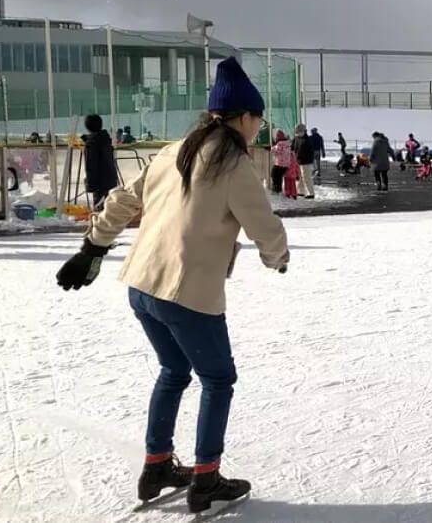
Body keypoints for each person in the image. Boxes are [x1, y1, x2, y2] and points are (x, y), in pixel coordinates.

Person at [55, 56, 288, 513]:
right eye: (257, 119)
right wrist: (276, 257)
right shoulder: (233, 165)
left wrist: (92, 248)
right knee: (218, 379)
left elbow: (122, 200)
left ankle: (157, 464)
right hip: (187, 294)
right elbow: (266, 228)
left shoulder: (173, 151)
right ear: (243, 117)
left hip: (142, 286)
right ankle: (206, 477)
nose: (258, 128)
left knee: (174, 371)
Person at [81, 114, 119, 209]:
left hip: (99, 182)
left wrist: (90, 183)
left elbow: (91, 165)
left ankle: (101, 222)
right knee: (110, 206)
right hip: (110, 178)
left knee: (100, 208)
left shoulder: (91, 144)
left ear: (87, 127)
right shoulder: (105, 139)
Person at [291, 124, 315, 199]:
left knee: (306, 177)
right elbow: (293, 148)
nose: (297, 133)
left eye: (299, 131)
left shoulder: (307, 140)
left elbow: (310, 152)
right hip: (298, 161)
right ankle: (301, 191)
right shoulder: (296, 138)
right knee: (300, 177)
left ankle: (310, 193)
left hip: (306, 162)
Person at [270, 130, 292, 194]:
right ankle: (279, 190)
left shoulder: (280, 143)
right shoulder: (287, 143)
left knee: (274, 175)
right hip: (286, 164)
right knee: (279, 177)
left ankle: (276, 189)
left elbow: (277, 151)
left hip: (279, 163)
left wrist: (272, 148)